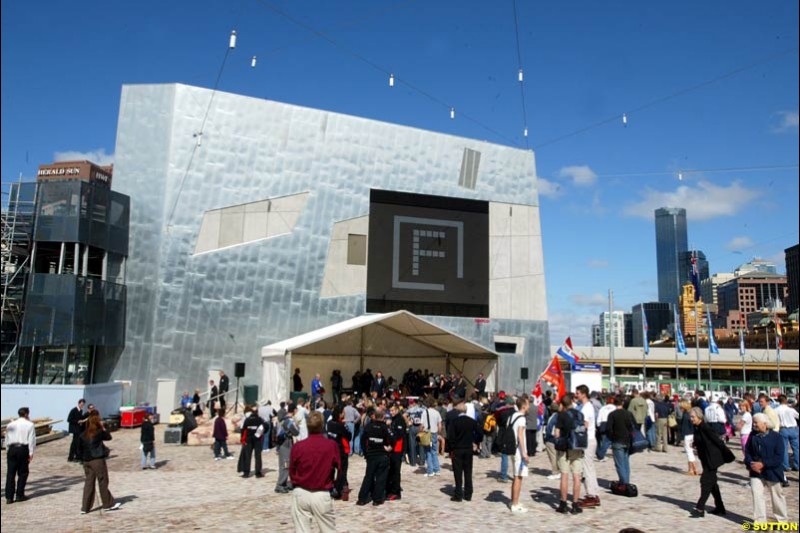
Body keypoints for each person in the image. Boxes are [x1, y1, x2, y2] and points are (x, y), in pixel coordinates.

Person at [289, 411, 341, 533]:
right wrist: (333, 483)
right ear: (322, 425)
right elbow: (339, 469)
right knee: (328, 529)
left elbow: (291, 470)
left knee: (302, 530)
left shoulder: (298, 446)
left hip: (301, 491)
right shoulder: (331, 445)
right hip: (321, 493)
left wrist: (295, 482)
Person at [689, 406, 733, 517]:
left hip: (712, 459)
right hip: (705, 458)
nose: (691, 419)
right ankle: (720, 507)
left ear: (699, 416)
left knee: (705, 481)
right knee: (712, 483)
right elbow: (701, 441)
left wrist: (726, 452)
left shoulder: (705, 427)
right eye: (690, 417)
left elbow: (717, 440)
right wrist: (695, 444)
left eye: (693, 417)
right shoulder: (697, 427)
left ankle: (700, 508)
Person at [744, 413, 788, 524]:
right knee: (757, 496)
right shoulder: (752, 435)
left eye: (756, 422)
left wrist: (763, 464)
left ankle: (782, 521)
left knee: (777, 496)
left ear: (765, 424)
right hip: (756, 472)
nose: (754, 424)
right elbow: (748, 451)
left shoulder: (776, 437)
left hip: (772, 471)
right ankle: (760, 521)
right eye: (753, 422)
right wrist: (751, 464)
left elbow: (779, 457)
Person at [77, 411, 121, 513]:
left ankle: (85, 507)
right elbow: (109, 437)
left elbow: (79, 450)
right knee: (102, 481)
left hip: (86, 461)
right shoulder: (98, 432)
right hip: (97, 460)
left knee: (89, 483)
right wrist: (103, 427)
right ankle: (107, 504)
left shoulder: (83, 434)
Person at [554, 394, 583, 514]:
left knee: (564, 475)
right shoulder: (580, 414)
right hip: (577, 447)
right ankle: (575, 504)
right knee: (577, 476)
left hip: (565, 447)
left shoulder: (561, 415)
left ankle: (563, 503)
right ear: (572, 402)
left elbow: (556, 433)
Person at [447, 398, 482, 502]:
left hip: (457, 449)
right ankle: (468, 494)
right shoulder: (471, 421)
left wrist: (451, 448)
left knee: (458, 473)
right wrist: (476, 441)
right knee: (468, 471)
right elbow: (480, 433)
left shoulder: (454, 422)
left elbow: (450, 437)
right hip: (468, 449)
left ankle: (458, 494)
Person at [357, 407, 392, 506]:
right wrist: (389, 448)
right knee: (381, 477)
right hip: (381, 454)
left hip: (371, 455)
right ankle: (377, 499)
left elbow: (363, 440)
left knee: (368, 476)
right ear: (384, 417)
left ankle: (362, 499)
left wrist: (365, 452)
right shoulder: (385, 427)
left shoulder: (369, 426)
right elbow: (392, 440)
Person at [5, 407, 36, 504]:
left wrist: (8, 450)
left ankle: (9, 497)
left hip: (12, 448)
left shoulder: (10, 424)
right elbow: (31, 440)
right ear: (26, 414)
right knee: (22, 473)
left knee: (10, 473)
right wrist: (31, 452)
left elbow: (7, 438)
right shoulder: (30, 425)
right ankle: (19, 494)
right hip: (23, 449)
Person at [575, 386, 600, 509]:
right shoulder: (588, 406)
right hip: (591, 439)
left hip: (587, 440)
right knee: (590, 467)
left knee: (587, 468)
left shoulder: (586, 408)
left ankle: (591, 495)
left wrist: (574, 430)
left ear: (584, 394)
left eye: (578, 393)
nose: (576, 395)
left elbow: (584, 425)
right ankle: (594, 492)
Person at [607, 395, 635, 486]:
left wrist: (611, 437)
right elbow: (632, 427)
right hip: (627, 440)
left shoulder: (612, 414)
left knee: (619, 463)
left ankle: (624, 483)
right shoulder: (628, 414)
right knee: (626, 462)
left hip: (617, 440)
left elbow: (609, 429)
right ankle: (626, 480)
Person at [326, 405, 352, 499]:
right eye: (343, 412)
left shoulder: (329, 423)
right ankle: (338, 489)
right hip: (341, 450)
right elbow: (349, 436)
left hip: (331, 450)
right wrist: (345, 425)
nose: (344, 414)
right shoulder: (341, 425)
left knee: (331, 470)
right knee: (342, 470)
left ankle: (330, 488)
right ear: (340, 413)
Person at [509, 395, 530, 513]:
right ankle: (515, 504)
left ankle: (514, 500)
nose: (529, 406)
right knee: (518, 476)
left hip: (512, 449)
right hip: (518, 450)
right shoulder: (521, 418)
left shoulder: (512, 416)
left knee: (516, 476)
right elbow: (520, 436)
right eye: (528, 404)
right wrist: (524, 453)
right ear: (523, 406)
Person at [276, 403, 300, 493]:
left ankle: (284, 483)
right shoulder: (289, 421)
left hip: (283, 444)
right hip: (286, 444)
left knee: (285, 464)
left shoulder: (283, 419)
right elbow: (296, 432)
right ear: (294, 410)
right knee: (285, 465)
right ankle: (280, 484)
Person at [386, 402, 407, 501]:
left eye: (393, 410)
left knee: (396, 471)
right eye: (390, 410)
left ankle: (396, 492)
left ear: (397, 410)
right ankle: (391, 489)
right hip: (393, 449)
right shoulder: (393, 419)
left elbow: (398, 436)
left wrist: (391, 445)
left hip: (397, 448)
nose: (391, 412)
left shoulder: (400, 420)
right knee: (392, 470)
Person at [775, 395, 799, 472]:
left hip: (783, 429)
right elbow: (798, 416)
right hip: (793, 428)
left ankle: (786, 466)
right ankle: (797, 465)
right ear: (785, 400)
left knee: (784, 448)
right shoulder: (791, 410)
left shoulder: (776, 410)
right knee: (796, 448)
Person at [240, 405, 265, 478]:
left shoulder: (247, 420)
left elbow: (243, 430)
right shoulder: (260, 419)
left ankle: (246, 473)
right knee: (258, 456)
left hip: (249, 439)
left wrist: (242, 439)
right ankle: (258, 473)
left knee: (248, 456)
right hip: (257, 440)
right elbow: (263, 428)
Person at [420, 398, 443, 477]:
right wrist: (438, 432)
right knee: (434, 451)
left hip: (427, 433)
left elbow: (422, 425)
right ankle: (437, 469)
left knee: (428, 452)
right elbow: (440, 425)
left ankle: (430, 471)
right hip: (434, 433)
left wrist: (420, 432)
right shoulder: (437, 412)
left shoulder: (424, 412)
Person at [680, 400, 699, 476]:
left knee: (689, 452)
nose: (680, 409)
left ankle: (693, 469)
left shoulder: (685, 415)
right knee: (690, 451)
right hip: (692, 434)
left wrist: (681, 437)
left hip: (687, 435)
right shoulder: (690, 414)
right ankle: (691, 469)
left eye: (681, 407)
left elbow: (684, 427)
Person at [596, 396, 616, 460]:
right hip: (612, 424)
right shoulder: (614, 408)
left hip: (603, 423)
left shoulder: (603, 408)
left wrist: (598, 425)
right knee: (613, 440)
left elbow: (599, 417)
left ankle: (602, 453)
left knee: (604, 440)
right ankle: (612, 453)